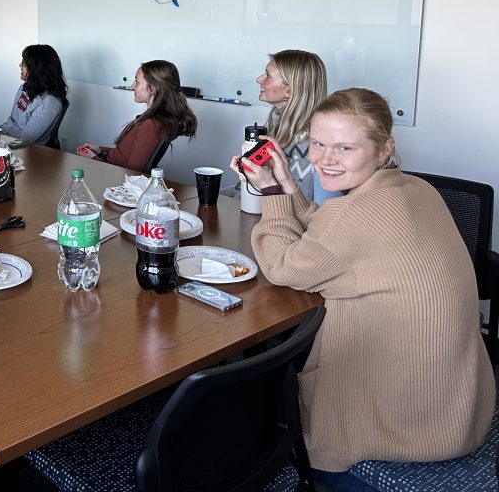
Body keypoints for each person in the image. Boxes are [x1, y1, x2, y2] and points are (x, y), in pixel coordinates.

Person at [236, 88, 493, 489]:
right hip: (454, 406)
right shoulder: (416, 189)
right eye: (317, 143)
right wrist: (287, 183)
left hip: (406, 426)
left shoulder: (354, 215)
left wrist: (269, 192)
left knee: (259, 377)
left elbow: (280, 266)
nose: (323, 158)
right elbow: (331, 228)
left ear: (384, 149)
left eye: (344, 148)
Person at [77, 60, 198, 172]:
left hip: (116, 180)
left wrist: (92, 158)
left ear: (153, 88)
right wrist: (99, 149)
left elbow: (132, 173)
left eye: (137, 81)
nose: (132, 86)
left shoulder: (150, 125)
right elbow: (125, 156)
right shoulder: (158, 120)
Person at [255, 49, 328, 201]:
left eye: (268, 75)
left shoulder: (308, 146)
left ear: (289, 90)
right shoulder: (277, 125)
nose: (259, 79)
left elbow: (301, 208)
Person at [0, 44, 67, 144]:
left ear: (37, 68)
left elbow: (25, 140)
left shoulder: (49, 103)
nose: (20, 65)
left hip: (24, 150)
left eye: (24, 63)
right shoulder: (24, 88)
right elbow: (12, 123)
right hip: (7, 137)